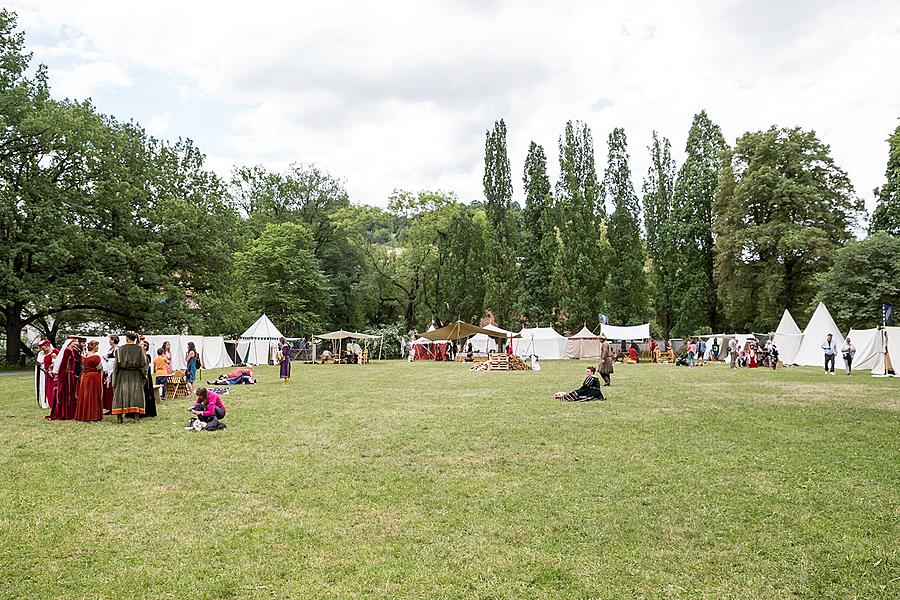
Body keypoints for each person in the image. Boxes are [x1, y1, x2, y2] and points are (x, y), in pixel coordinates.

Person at [111, 332, 149, 423]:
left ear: (127, 338)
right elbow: (144, 363)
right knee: (136, 394)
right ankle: (136, 418)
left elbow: (116, 366)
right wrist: (144, 375)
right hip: (136, 374)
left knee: (120, 394)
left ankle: (119, 418)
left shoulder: (119, 350)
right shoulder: (140, 349)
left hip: (122, 375)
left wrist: (114, 379)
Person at [47, 338, 81, 421]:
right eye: (75, 341)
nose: (76, 343)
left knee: (72, 392)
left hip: (71, 374)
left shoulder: (72, 350)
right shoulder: (68, 351)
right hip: (67, 375)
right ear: (70, 343)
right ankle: (66, 412)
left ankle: (71, 412)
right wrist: (61, 375)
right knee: (67, 393)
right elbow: (63, 364)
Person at [75, 340, 104, 422]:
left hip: (85, 377)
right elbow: (99, 368)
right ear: (94, 347)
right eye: (97, 346)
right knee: (93, 395)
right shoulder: (96, 357)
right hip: (93, 377)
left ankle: (84, 414)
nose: (98, 347)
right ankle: (92, 415)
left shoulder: (84, 356)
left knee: (85, 395)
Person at [35, 340, 57, 410]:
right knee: (43, 386)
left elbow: (57, 363)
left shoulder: (54, 352)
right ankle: (45, 402)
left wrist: (51, 370)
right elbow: (39, 362)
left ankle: (53, 402)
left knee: (51, 387)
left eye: (43, 348)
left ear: (47, 345)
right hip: (43, 373)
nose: (42, 349)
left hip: (51, 374)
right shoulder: (41, 353)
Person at [141, 341, 157, 418]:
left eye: (142, 345)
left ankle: (148, 411)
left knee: (147, 392)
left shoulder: (147, 356)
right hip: (141, 376)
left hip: (146, 376)